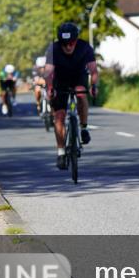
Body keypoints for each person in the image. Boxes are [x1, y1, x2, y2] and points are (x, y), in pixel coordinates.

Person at [44, 22, 99, 170]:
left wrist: (94, 86)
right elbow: (48, 71)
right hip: (60, 81)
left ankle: (83, 127)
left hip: (78, 77)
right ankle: (61, 152)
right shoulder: (53, 49)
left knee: (81, 94)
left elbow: (93, 70)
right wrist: (49, 87)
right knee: (59, 116)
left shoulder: (84, 47)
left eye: (71, 43)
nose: (68, 46)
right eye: (64, 43)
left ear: (76, 40)